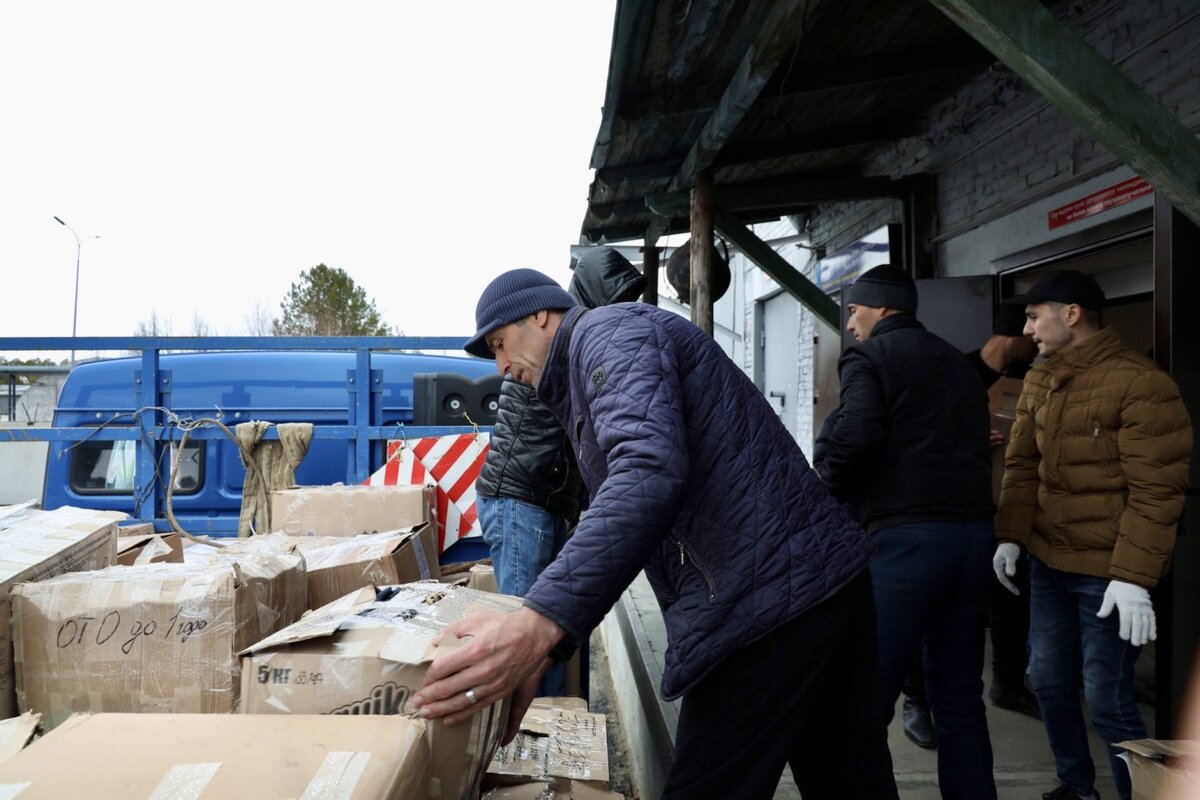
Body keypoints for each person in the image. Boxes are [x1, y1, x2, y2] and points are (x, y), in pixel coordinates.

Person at [414, 268, 899, 800]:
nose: (504, 368)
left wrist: (539, 623)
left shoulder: (609, 335)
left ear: (540, 314)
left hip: (765, 600)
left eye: (501, 344)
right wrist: (552, 648)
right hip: (816, 582)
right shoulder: (584, 376)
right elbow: (636, 511)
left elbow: (646, 472)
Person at [993, 270, 1192, 800]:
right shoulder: (1041, 377)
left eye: (1035, 316)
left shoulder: (1141, 383)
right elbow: (1021, 465)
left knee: (1108, 697)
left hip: (1107, 576)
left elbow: (1157, 492)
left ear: (1072, 314)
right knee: (1050, 682)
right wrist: (1012, 534)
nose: (1028, 329)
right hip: (1048, 563)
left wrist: (1133, 578)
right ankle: (1076, 788)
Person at [813, 264, 998, 800]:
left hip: (904, 545)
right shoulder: (958, 364)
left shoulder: (869, 357)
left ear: (882, 307)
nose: (849, 325)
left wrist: (823, 492)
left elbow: (857, 435)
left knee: (867, 697)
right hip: (970, 541)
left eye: (853, 311)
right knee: (960, 696)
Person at [474, 247, 644, 697]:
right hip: (520, 500)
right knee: (531, 633)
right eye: (622, 299)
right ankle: (531, 747)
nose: (630, 310)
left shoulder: (574, 346)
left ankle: (550, 732)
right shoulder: (551, 354)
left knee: (546, 630)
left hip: (543, 499)